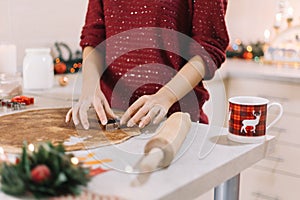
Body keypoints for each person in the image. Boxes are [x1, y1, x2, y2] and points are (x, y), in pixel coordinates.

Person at [66, 0, 229, 129]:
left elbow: (207, 48)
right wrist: (90, 89)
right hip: (112, 121)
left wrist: (166, 97)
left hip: (175, 124)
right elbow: (94, 37)